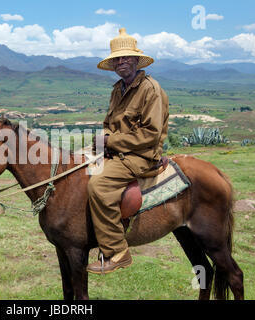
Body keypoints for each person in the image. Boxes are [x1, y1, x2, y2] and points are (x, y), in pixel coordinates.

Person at [86, 28, 169, 274]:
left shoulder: (150, 90)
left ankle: (117, 251)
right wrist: (100, 140)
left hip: (141, 156)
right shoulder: (118, 90)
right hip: (118, 151)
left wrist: (110, 142)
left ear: (135, 60)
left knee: (98, 185)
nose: (121, 62)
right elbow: (108, 125)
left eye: (126, 58)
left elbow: (149, 134)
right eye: (117, 59)